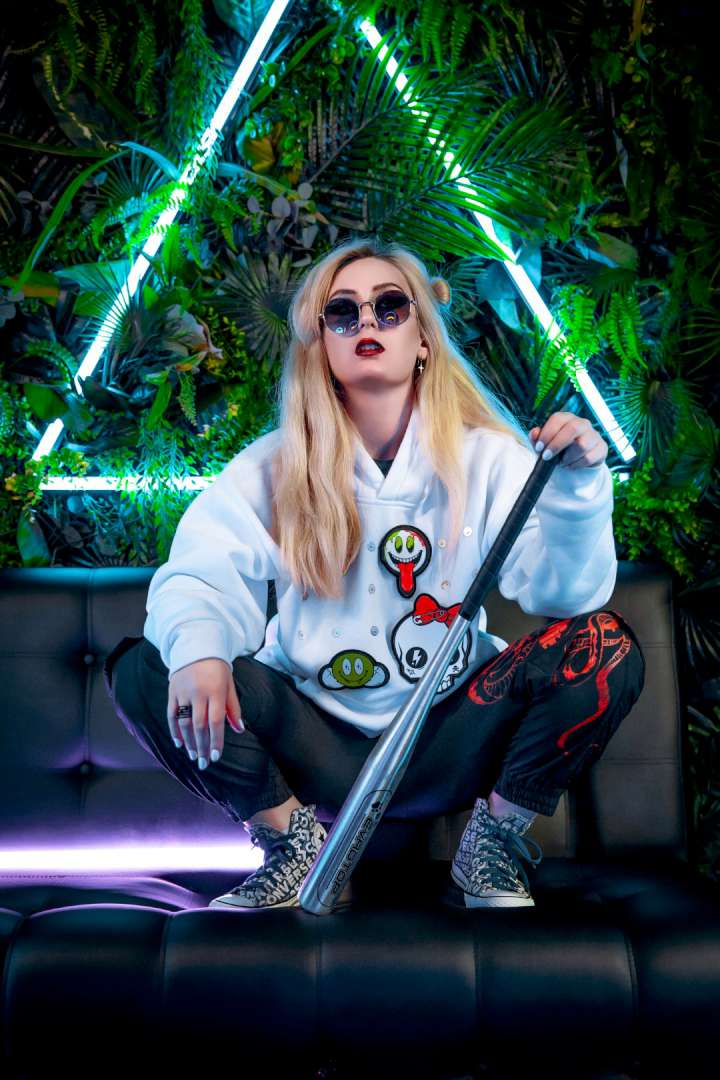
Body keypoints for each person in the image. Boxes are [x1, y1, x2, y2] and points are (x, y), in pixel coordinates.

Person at [103, 235, 646, 912]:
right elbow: (200, 576)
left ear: (423, 340)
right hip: (314, 744)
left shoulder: (489, 458)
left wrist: (579, 487)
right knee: (150, 666)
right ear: (322, 347)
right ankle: (293, 847)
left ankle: (493, 844)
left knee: (604, 644)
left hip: (447, 737)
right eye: (342, 312)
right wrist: (200, 651)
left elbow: (565, 594)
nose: (367, 321)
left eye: (390, 306)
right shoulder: (274, 464)